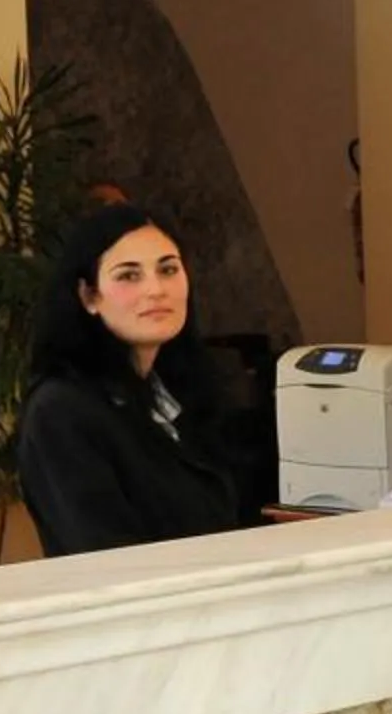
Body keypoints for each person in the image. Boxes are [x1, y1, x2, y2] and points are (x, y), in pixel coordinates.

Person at [16, 203, 249, 555]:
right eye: (129, 275)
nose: (156, 289)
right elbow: (102, 553)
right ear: (89, 296)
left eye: (168, 269)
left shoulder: (177, 391)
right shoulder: (61, 411)